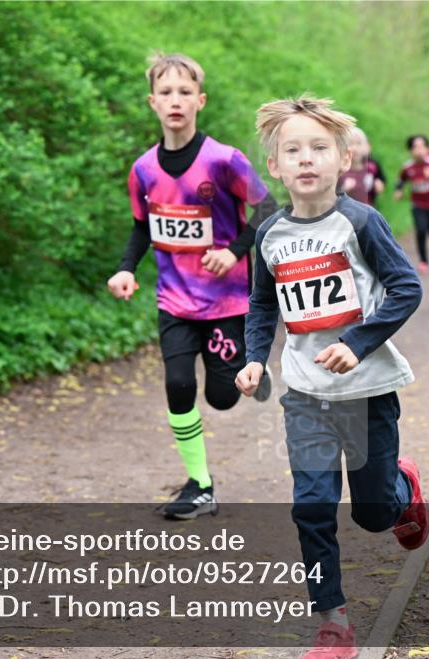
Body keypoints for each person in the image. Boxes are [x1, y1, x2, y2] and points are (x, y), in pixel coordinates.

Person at [239, 95, 428, 659]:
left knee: (373, 514)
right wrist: (255, 359)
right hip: (306, 395)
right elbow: (261, 304)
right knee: (312, 507)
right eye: (293, 149)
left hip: (367, 393)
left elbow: (406, 288)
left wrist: (356, 343)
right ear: (274, 166)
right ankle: (333, 627)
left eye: (319, 148)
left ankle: (401, 488)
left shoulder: (361, 222)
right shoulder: (269, 233)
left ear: (344, 159)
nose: (306, 158)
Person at [106, 53, 278, 520]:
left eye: (184, 92)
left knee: (221, 397)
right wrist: (126, 269)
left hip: (226, 302)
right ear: (153, 102)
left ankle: (250, 364)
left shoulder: (224, 160)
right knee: (179, 384)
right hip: (174, 301)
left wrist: (234, 252)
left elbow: (268, 209)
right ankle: (200, 485)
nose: (175, 101)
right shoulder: (143, 169)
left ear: (200, 101)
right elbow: (142, 226)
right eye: (166, 93)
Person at [393, 135, 429, 273]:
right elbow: (401, 180)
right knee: (421, 230)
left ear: (427, 149)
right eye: (415, 147)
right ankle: (423, 261)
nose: (419, 150)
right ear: (411, 150)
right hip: (418, 204)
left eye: (422, 146)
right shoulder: (408, 167)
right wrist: (398, 190)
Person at [338, 127, 372, 204]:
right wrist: (344, 189)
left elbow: (379, 177)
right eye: (350, 144)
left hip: (368, 209)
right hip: (347, 210)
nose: (354, 148)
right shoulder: (340, 171)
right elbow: (332, 197)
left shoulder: (371, 168)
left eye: (359, 143)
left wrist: (379, 183)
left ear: (366, 146)